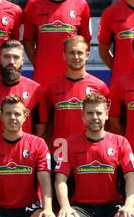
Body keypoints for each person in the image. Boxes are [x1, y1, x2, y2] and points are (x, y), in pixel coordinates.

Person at [54, 92, 134, 217]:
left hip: (112, 205)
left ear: (106, 115)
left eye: (99, 113)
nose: (94, 117)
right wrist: (65, 206)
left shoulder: (121, 142)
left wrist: (129, 205)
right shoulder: (68, 143)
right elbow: (60, 180)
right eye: (90, 113)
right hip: (81, 207)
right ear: (83, 116)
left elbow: (131, 178)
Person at [0, 96, 54, 217]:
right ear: (1, 117)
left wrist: (48, 209)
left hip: (29, 209)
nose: (13, 118)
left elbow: (45, 180)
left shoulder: (38, 144)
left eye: (17, 114)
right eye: (8, 114)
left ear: (25, 116)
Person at [40, 34, 110, 166]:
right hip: (60, 152)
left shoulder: (100, 86)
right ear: (64, 55)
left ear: (87, 55)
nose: (76, 57)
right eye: (71, 53)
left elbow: (108, 124)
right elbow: (46, 124)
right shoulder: (52, 86)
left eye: (80, 53)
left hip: (90, 152)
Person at [21, 0, 91, 83]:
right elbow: (28, 41)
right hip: (43, 77)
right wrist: (39, 64)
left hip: (71, 78)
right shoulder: (33, 5)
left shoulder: (81, 4)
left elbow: (85, 42)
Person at [0, 39, 44, 144]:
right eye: (6, 57)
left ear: (22, 61)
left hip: (26, 156)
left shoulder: (35, 90)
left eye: (16, 57)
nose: (11, 62)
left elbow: (41, 130)